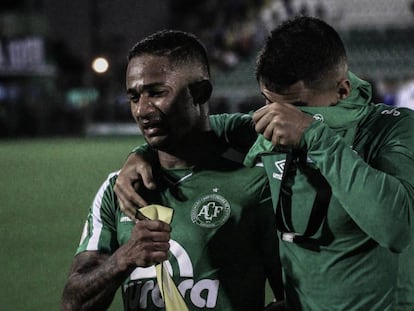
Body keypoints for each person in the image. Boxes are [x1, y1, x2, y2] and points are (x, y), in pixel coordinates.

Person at [114, 17, 414, 310]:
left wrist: (316, 137)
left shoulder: (391, 130)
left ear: (343, 91)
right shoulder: (270, 128)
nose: (281, 119)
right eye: (269, 102)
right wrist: (141, 154)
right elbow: (198, 129)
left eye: (296, 108)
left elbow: (396, 228)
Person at [61, 30, 284, 311]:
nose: (142, 109)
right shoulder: (118, 189)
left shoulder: (257, 184)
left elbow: (291, 296)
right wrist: (122, 259)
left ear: (200, 92)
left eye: (157, 93)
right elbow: (72, 304)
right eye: (133, 96)